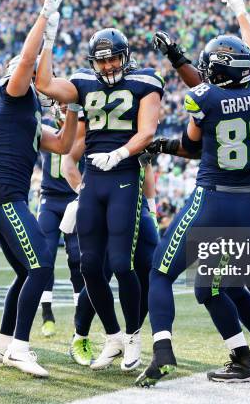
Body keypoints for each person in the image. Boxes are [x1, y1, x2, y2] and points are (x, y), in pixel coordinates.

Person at [137, 0, 250, 389]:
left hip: (212, 201)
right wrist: (243, 16)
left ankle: (163, 350)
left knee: (161, 275)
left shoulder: (205, 98)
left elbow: (195, 143)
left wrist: (168, 145)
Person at [36, 20, 163, 371]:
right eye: (102, 61)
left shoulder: (145, 82)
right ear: (93, 61)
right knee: (90, 266)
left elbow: (148, 131)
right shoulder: (81, 83)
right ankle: (113, 336)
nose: (108, 66)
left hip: (124, 175)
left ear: (126, 57)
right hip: (94, 179)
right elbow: (44, 83)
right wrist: (49, 38)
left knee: (122, 263)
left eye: (114, 59)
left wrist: (121, 154)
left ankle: (136, 335)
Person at [0, 0, 78, 378]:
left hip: (2, 197)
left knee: (26, 272)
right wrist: (43, 22)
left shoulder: (29, 115)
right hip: (5, 196)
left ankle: (3, 344)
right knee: (40, 269)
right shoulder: (11, 92)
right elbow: (26, 64)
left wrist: (71, 107)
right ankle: (21, 347)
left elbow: (63, 144)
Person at [59, 115, 158, 368]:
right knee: (95, 269)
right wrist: (84, 194)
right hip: (96, 200)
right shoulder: (84, 117)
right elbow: (67, 160)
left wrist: (152, 206)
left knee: (146, 267)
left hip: (133, 200)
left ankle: (129, 337)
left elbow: (145, 164)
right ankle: (82, 335)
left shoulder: (133, 111)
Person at [36, 103, 84, 338]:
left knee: (76, 258)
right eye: (61, 106)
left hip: (73, 198)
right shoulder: (43, 129)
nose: (64, 110)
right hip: (49, 199)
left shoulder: (83, 130)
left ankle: (79, 314)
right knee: (45, 255)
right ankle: (46, 312)